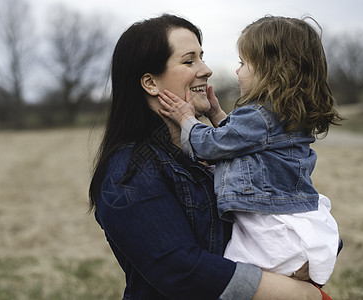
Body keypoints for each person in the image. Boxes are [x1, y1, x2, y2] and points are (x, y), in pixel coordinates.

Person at [89, 14, 326, 299]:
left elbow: (293, 204)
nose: (207, 69)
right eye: (189, 61)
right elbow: (182, 270)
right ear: (151, 83)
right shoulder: (127, 173)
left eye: (203, 57)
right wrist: (298, 293)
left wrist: (320, 251)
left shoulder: (218, 154)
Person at [158, 15, 343, 288]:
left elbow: (210, 145)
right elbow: (241, 145)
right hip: (288, 215)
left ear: (270, 71)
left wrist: (187, 119)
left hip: (269, 225)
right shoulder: (279, 115)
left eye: (243, 63)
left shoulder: (259, 116)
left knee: (239, 278)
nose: (237, 71)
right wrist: (217, 114)